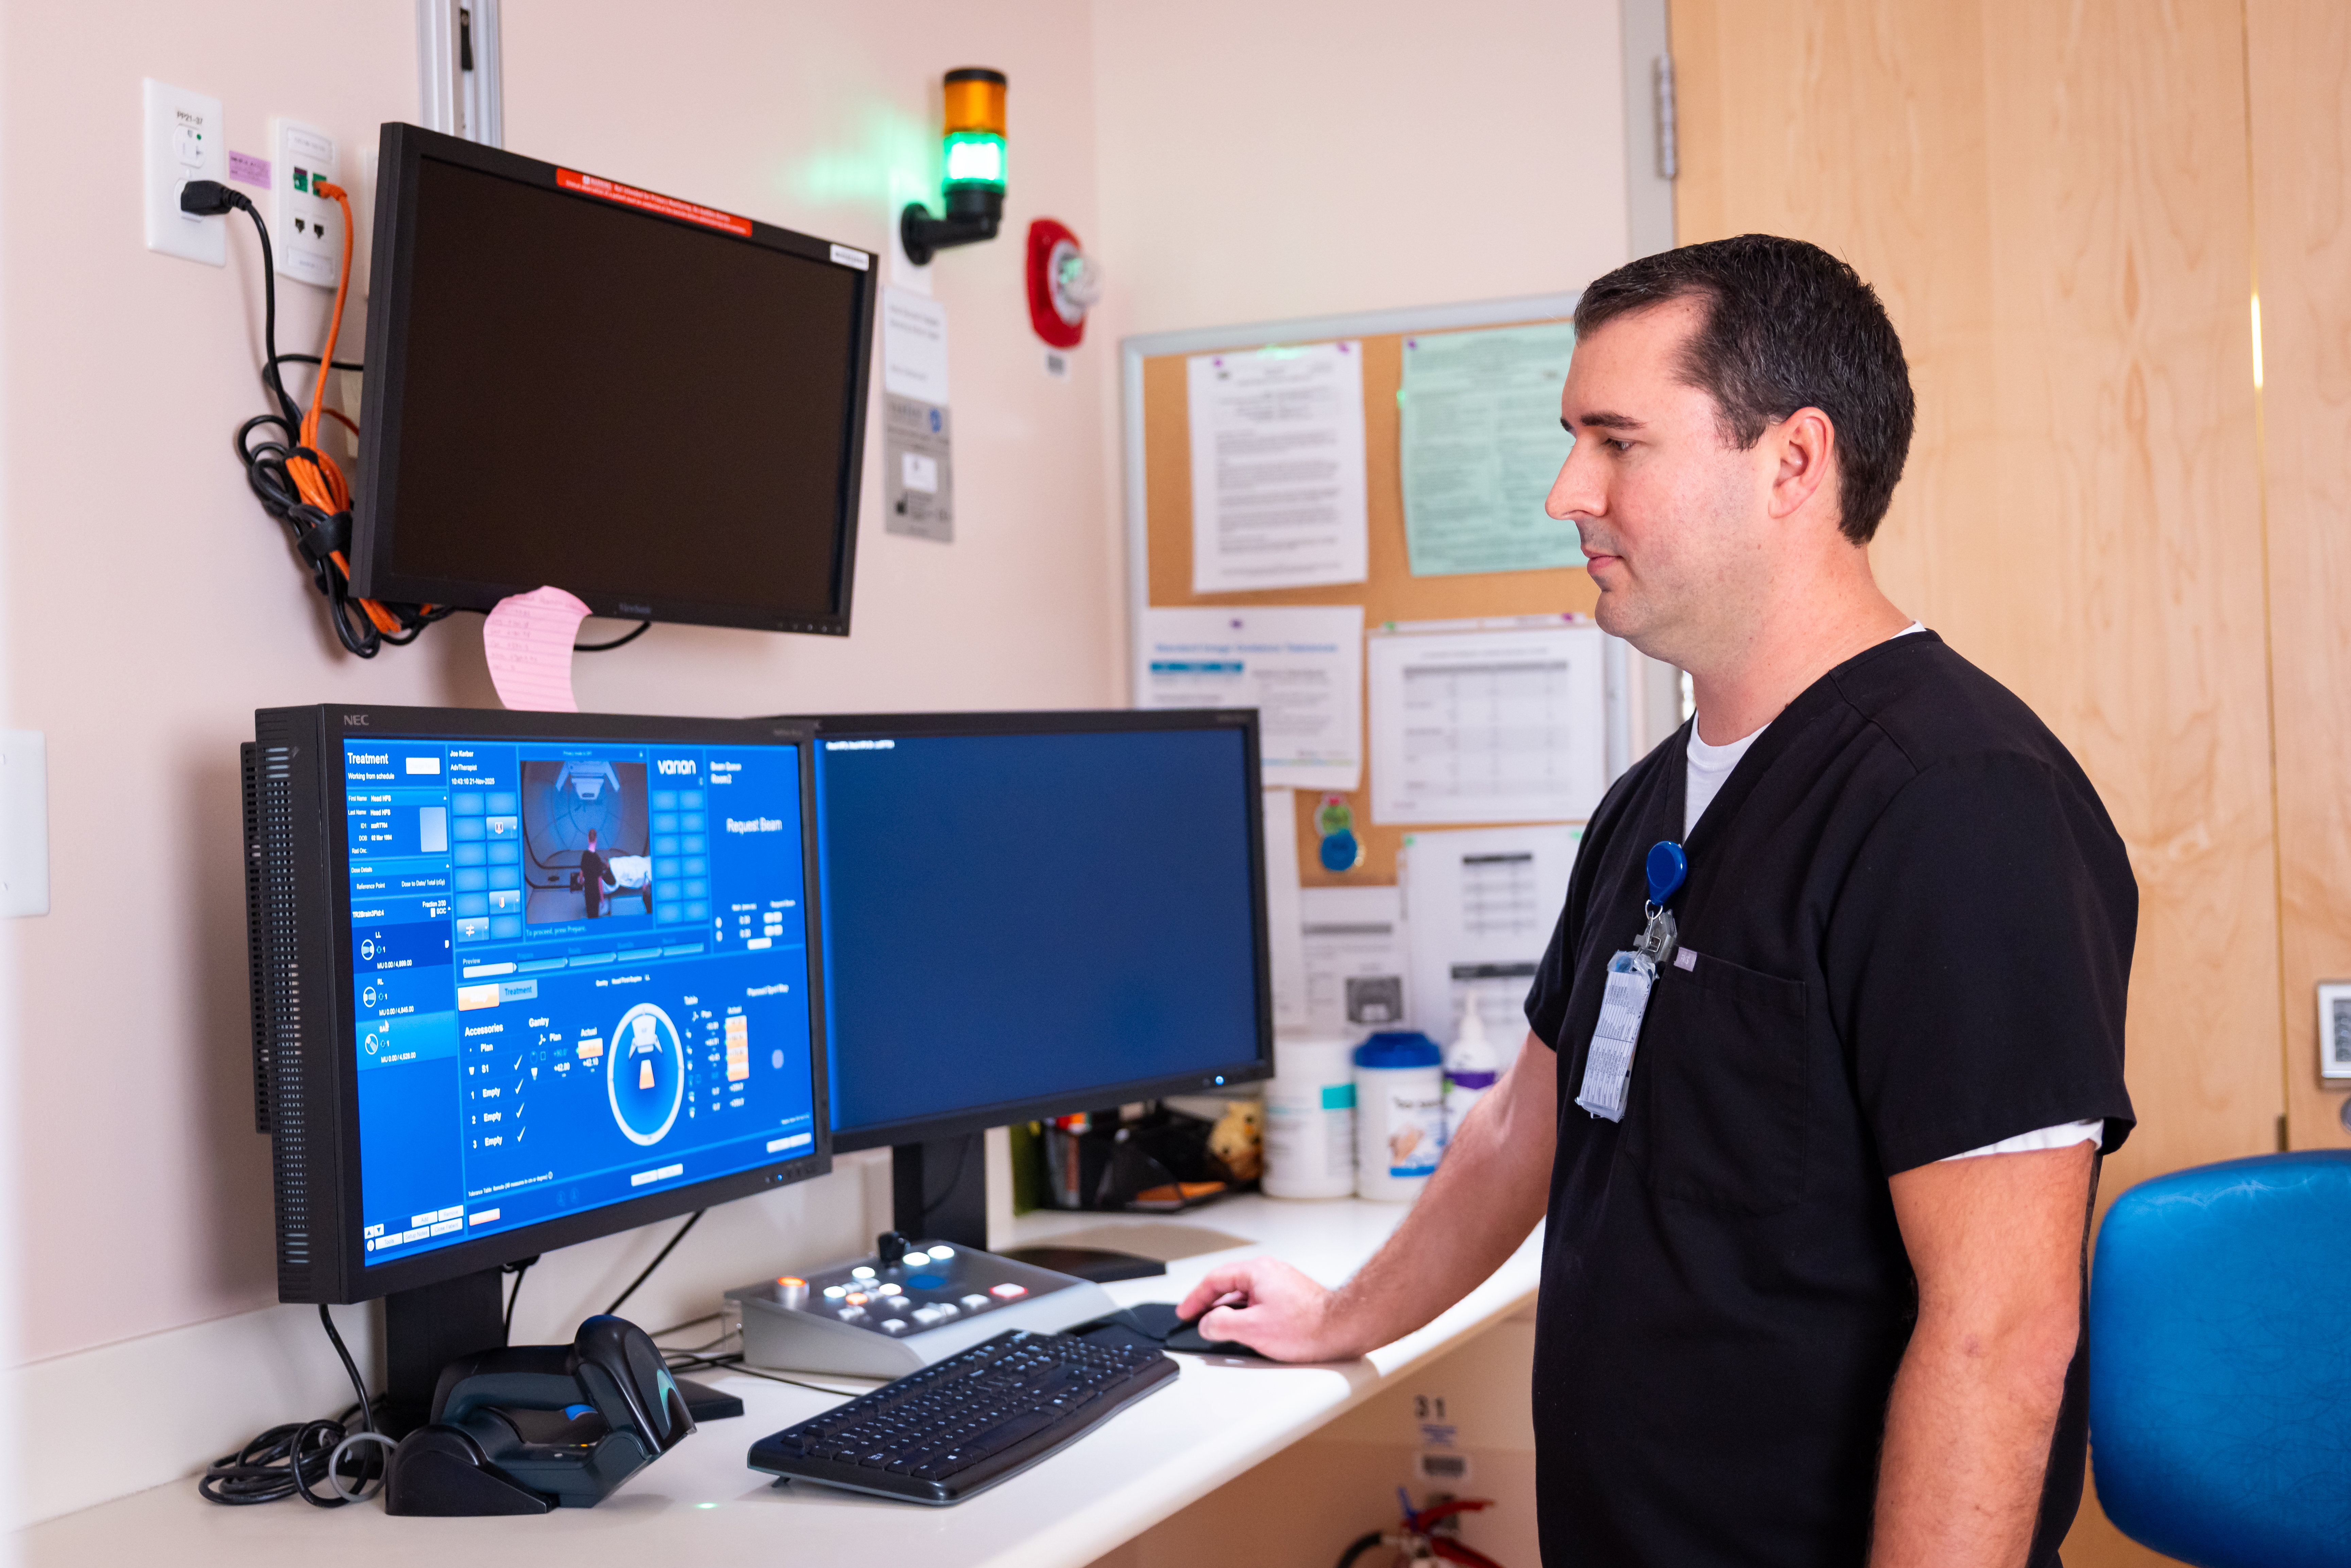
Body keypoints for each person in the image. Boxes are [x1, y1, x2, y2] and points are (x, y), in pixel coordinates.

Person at [1181, 235, 2137, 1567]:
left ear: (1792, 462)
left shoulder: (1958, 802)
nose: (1567, 490)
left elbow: (2003, 1329)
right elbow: (1527, 1119)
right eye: (1575, 439)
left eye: (1616, 442)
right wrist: (1345, 1313)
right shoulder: (1651, 804)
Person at [576, 828, 617, 919]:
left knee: (590, 913)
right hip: (595, 893)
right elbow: (600, 883)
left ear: (588, 839)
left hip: (588, 891)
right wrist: (602, 900)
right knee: (595, 915)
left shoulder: (585, 856)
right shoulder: (597, 860)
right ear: (596, 840)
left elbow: (581, 875)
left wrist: (583, 883)